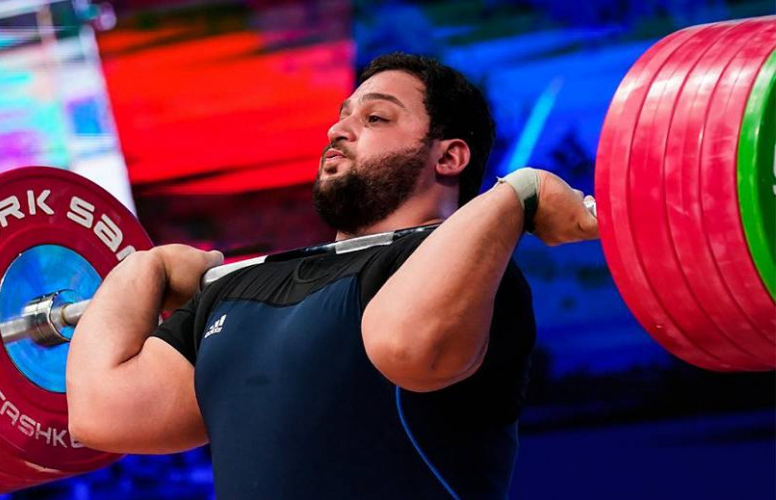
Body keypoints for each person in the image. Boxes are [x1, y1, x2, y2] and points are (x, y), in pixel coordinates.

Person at [67, 53, 598, 499]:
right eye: (343, 116)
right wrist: (146, 266)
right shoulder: (231, 291)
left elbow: (408, 347)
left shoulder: (476, 278)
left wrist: (518, 195)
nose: (337, 130)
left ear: (450, 156)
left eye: (376, 118)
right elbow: (100, 412)